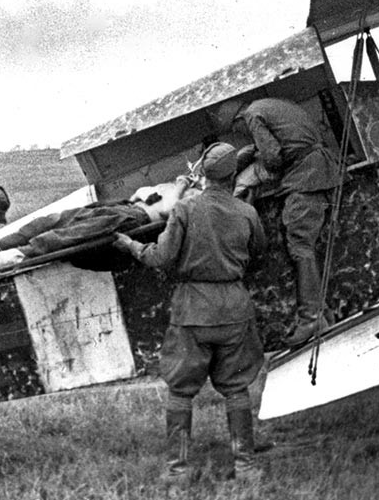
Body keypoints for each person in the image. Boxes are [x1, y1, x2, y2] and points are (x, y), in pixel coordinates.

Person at [113, 142, 267, 484]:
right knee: (236, 389)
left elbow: (160, 258)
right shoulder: (247, 213)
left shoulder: (184, 209)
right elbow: (259, 256)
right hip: (234, 307)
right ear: (232, 175)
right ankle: (246, 466)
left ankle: (178, 470)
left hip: (192, 308)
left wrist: (130, 246)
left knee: (181, 391)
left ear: (205, 174)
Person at [211, 97, 341, 347]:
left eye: (236, 130)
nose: (240, 133)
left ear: (237, 120)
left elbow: (273, 156)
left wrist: (251, 159)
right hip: (317, 171)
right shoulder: (266, 105)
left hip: (306, 177)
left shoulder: (252, 116)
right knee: (304, 247)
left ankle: (311, 319)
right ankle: (323, 314)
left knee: (300, 246)